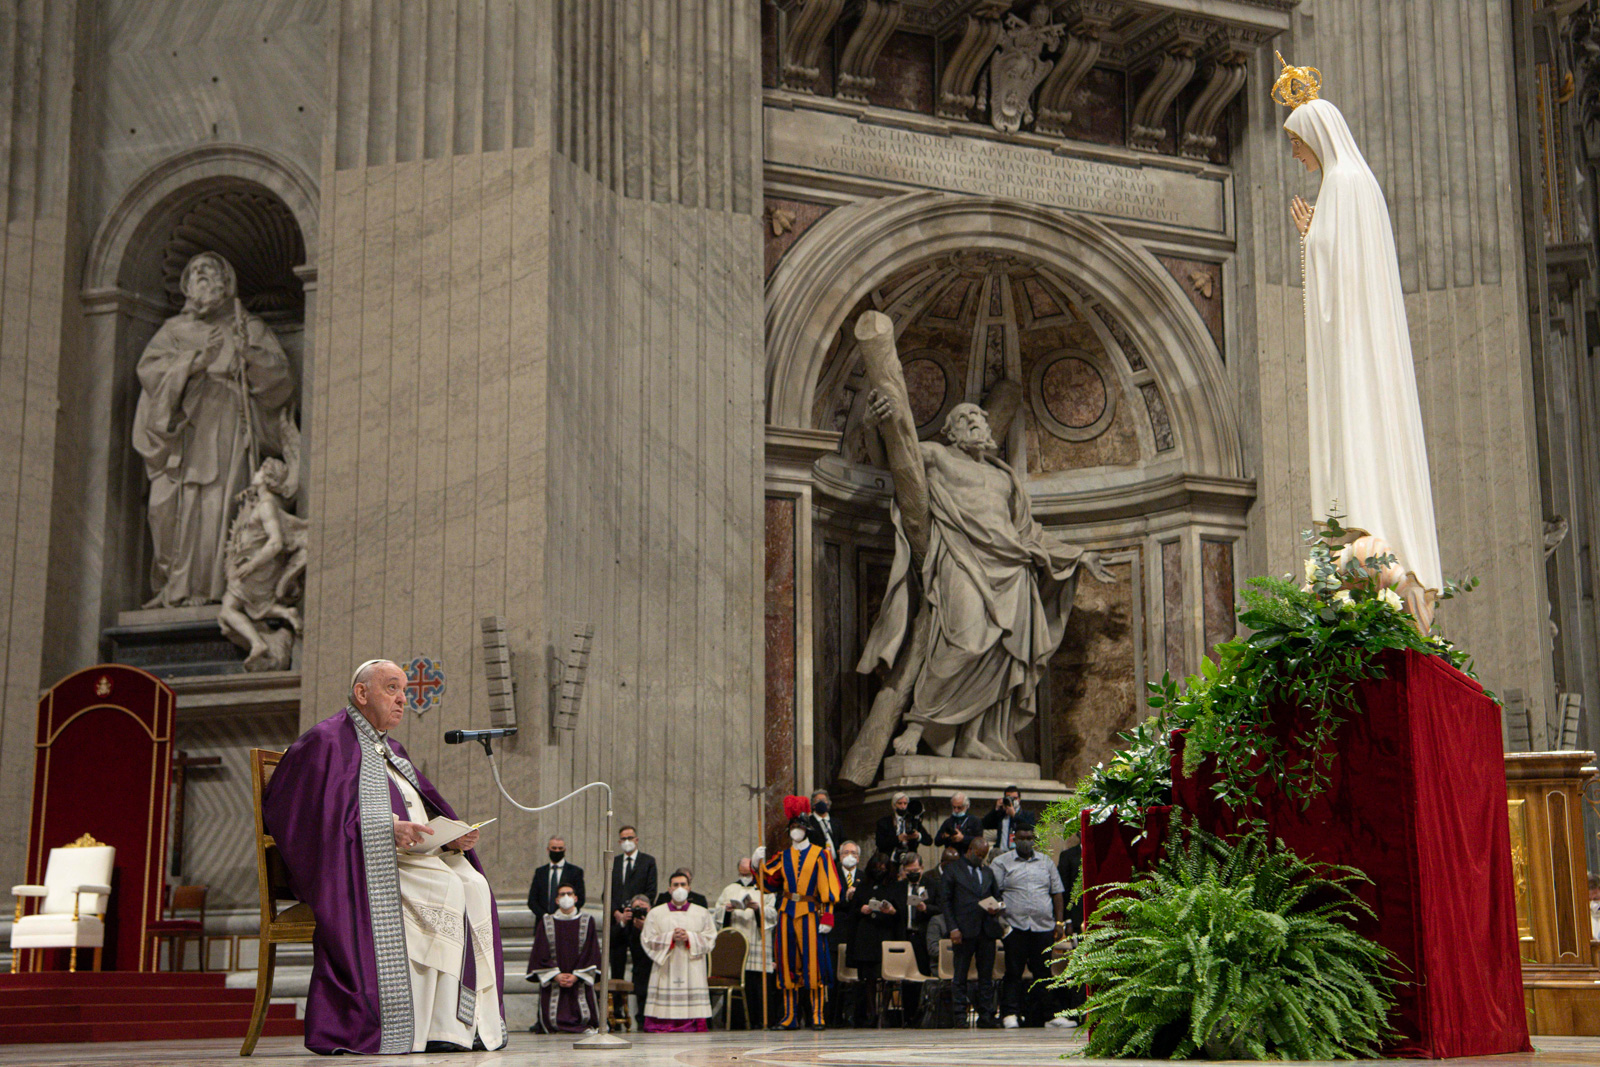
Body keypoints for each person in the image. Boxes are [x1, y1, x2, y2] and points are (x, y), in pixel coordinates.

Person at [262, 660, 505, 1054]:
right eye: (392, 688)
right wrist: (385, 829)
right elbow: (302, 815)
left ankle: (461, 1025)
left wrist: (449, 837)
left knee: (474, 884)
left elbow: (421, 808)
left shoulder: (391, 749)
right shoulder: (325, 741)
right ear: (362, 694)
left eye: (404, 691)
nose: (402, 700)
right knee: (446, 886)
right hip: (358, 862)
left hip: (406, 857)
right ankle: (423, 1025)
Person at [858, 389, 1113, 762]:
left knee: (1000, 654)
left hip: (1012, 570)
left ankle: (972, 739)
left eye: (980, 417)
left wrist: (1081, 555)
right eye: (965, 419)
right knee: (964, 641)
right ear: (951, 432)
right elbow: (893, 460)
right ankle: (919, 723)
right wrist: (872, 423)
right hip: (963, 560)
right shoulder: (938, 457)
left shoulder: (1004, 478)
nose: (975, 422)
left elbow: (1027, 533)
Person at [1277, 53, 1442, 617]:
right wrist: (1315, 235)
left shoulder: (1344, 184)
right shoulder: (1354, 183)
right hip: (1357, 339)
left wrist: (1310, 236)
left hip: (1353, 347)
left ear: (1317, 135)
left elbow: (1342, 274)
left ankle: (1366, 546)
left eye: (1297, 142)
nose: (1296, 154)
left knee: (1355, 437)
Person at [133, 251, 295, 609]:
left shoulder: (246, 327)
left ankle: (220, 589)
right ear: (187, 286)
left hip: (227, 427)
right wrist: (192, 363)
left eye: (210, 273)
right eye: (195, 274)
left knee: (218, 504)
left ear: (226, 282)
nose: (202, 278)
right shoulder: (173, 331)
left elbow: (281, 381)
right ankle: (176, 587)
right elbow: (149, 372)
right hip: (183, 434)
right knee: (170, 510)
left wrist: (248, 355)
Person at [759, 797, 841, 1030]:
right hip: (786, 913)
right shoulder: (783, 856)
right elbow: (768, 882)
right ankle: (789, 1016)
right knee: (786, 963)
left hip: (811, 913)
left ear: (807, 829)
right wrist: (757, 864)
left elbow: (829, 888)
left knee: (813, 964)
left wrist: (828, 916)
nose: (796, 831)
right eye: (793, 827)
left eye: (800, 827)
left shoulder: (820, 854)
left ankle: (816, 1014)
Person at [991, 816, 1064, 1027]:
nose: (1027, 842)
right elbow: (994, 893)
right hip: (1015, 926)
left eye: (1030, 838)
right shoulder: (1001, 862)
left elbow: (1057, 893)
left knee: (1043, 972)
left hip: (1043, 926)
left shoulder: (1046, 862)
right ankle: (1009, 1014)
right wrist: (1002, 925)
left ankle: (1050, 1015)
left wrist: (1058, 924)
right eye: (1023, 838)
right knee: (1013, 971)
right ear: (1014, 839)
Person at [640, 871, 718, 1032]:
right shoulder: (656, 913)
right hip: (666, 964)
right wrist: (670, 937)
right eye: (675, 885)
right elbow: (647, 938)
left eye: (683, 884)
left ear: (689, 888)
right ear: (669, 889)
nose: (679, 888)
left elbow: (710, 938)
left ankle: (693, 1022)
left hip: (692, 964)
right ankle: (662, 1022)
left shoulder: (702, 912)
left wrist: (689, 937)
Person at [943, 837, 1004, 1028]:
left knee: (986, 975)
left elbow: (997, 895)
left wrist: (997, 907)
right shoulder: (953, 870)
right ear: (970, 850)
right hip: (962, 929)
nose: (981, 859)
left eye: (984, 856)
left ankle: (986, 1015)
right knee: (960, 975)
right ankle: (960, 1016)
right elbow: (946, 902)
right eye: (979, 855)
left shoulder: (987, 872)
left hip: (985, 929)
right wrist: (953, 928)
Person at [525, 883, 601, 1034]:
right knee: (551, 1022)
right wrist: (557, 975)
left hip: (578, 979)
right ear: (557, 900)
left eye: (569, 893)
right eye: (562, 894)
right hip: (555, 979)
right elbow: (540, 951)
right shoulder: (546, 922)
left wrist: (576, 976)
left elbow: (590, 951)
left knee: (585, 1017)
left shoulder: (587, 921)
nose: (566, 897)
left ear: (576, 898)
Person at [714, 857, 778, 1029]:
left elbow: (773, 914)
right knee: (738, 978)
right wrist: (725, 910)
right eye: (742, 874)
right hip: (736, 944)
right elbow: (717, 913)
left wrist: (759, 909)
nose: (745, 877)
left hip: (758, 940)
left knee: (758, 982)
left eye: (748, 874)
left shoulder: (767, 890)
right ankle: (737, 1022)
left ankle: (761, 1020)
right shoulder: (730, 889)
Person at [847, 853, 903, 1027]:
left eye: (883, 868)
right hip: (866, 936)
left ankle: (884, 1012)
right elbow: (852, 912)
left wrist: (891, 911)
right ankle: (871, 1012)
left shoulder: (894, 886)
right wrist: (861, 909)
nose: (880, 871)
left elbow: (900, 914)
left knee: (887, 976)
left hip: (885, 933)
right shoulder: (863, 886)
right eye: (877, 868)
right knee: (869, 977)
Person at [610, 825, 657, 1022]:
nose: (627, 841)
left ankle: (641, 1012)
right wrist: (617, 914)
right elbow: (608, 892)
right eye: (623, 838)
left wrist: (641, 909)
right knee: (617, 967)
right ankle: (617, 1011)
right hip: (620, 923)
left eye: (630, 837)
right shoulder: (614, 862)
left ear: (636, 839)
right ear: (620, 842)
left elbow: (651, 889)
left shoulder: (647, 862)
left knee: (641, 968)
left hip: (639, 922)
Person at [829, 841, 864, 1026]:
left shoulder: (864, 876)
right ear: (839, 855)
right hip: (836, 930)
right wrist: (846, 897)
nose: (849, 856)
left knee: (856, 978)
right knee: (835, 976)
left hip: (856, 932)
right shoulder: (831, 874)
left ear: (858, 857)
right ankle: (834, 1017)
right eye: (845, 852)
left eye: (853, 853)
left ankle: (855, 1016)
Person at [611, 894, 655, 1025]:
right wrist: (623, 921)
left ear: (650, 909)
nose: (639, 912)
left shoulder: (655, 921)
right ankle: (640, 1019)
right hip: (638, 969)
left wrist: (646, 927)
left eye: (643, 908)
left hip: (652, 966)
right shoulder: (629, 924)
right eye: (636, 908)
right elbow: (613, 940)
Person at [527, 835, 585, 919]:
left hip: (567, 920)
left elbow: (580, 898)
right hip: (543, 921)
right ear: (548, 850)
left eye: (560, 848)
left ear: (564, 850)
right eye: (554, 848)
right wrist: (545, 916)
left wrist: (564, 914)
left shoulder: (575, 872)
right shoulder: (540, 872)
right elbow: (532, 900)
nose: (557, 851)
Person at [875, 793, 931, 861]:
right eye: (900, 803)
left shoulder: (913, 821)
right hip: (890, 859)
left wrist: (918, 836)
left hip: (910, 858)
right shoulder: (884, 822)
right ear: (894, 805)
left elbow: (929, 841)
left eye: (905, 803)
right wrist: (898, 838)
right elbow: (880, 843)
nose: (903, 806)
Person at [983, 785, 1025, 853]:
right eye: (1009, 798)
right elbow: (985, 824)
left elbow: (1028, 827)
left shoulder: (1026, 814)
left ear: (1019, 799)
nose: (1012, 801)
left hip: (1017, 852)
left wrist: (1014, 815)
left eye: (1015, 798)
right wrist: (996, 809)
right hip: (1000, 852)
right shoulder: (1001, 815)